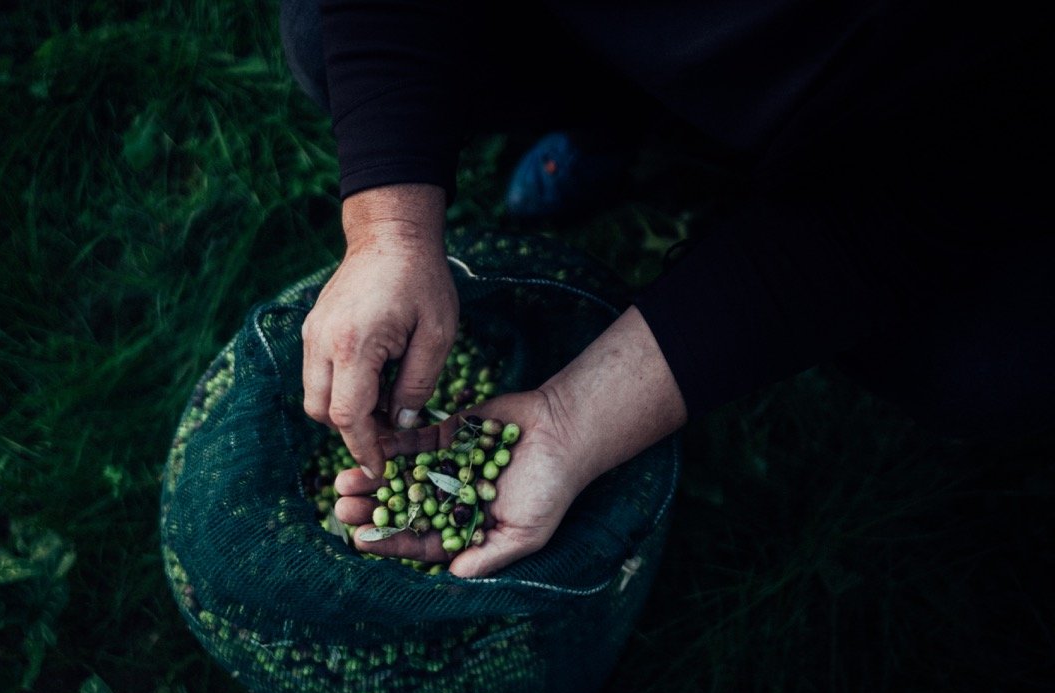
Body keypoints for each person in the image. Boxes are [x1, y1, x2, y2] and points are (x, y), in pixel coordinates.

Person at [283, 0, 1055, 579]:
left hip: (925, 113)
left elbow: (932, 194)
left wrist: (577, 417)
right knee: (326, 35)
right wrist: (392, 223)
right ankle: (641, 122)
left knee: (989, 362)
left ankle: (738, 159)